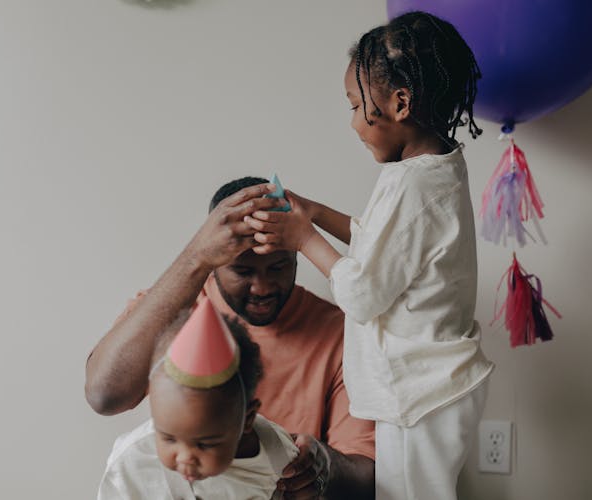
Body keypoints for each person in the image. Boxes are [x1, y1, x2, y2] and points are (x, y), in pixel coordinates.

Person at [244, 11, 494, 500]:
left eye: (357, 105)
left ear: (400, 103)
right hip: (432, 387)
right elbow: (382, 246)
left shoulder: (412, 184)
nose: (354, 122)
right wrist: (314, 213)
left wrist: (303, 239)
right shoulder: (435, 169)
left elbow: (361, 293)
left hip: (421, 391)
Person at [86, 179, 375, 498]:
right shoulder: (173, 310)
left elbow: (370, 474)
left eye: (278, 266)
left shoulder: (341, 333)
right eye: (243, 271)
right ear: (216, 259)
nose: (263, 287)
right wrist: (195, 256)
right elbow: (104, 395)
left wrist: (324, 464)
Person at [97, 299, 299, 499]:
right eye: (168, 438)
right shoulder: (134, 464)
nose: (185, 459)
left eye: (204, 444)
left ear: (247, 418)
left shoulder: (278, 453)